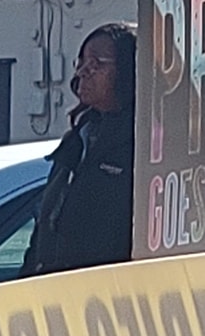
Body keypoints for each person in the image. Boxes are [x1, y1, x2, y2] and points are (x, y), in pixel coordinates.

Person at [21, 22, 137, 277]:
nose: (83, 72)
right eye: (81, 62)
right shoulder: (78, 139)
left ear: (127, 70)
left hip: (104, 290)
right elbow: (45, 227)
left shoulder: (139, 145)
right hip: (50, 287)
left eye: (96, 64)